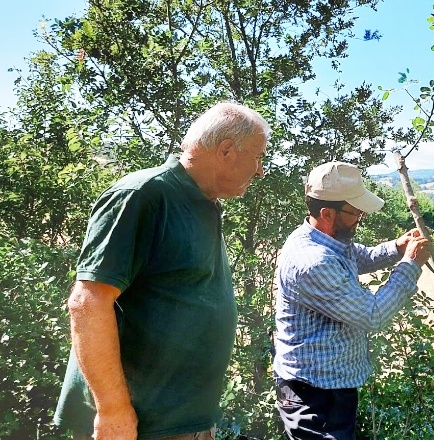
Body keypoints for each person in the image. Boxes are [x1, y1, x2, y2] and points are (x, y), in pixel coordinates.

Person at [53, 102, 271, 440]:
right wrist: (113, 411)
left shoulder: (203, 202)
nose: (260, 171)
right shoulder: (144, 196)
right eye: (258, 157)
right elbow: (89, 303)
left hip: (186, 420)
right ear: (226, 150)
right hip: (140, 425)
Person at [272, 161, 431, 439]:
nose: (360, 217)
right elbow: (374, 315)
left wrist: (397, 247)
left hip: (327, 386)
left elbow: (363, 257)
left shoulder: (326, 239)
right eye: (355, 211)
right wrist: (410, 265)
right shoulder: (313, 261)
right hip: (314, 396)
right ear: (326, 213)